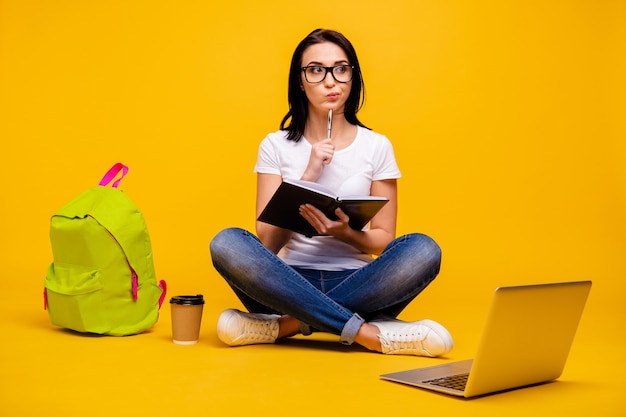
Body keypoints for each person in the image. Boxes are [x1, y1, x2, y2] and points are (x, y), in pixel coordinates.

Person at [209, 28, 453, 356]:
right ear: (300, 80)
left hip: (361, 283)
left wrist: (346, 234)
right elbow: (266, 243)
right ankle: (369, 332)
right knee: (227, 242)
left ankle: (286, 326)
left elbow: (383, 239)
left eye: (341, 69)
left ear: (353, 77)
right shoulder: (275, 145)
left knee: (423, 249)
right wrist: (307, 177)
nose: (330, 81)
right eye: (316, 70)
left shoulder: (377, 146)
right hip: (285, 284)